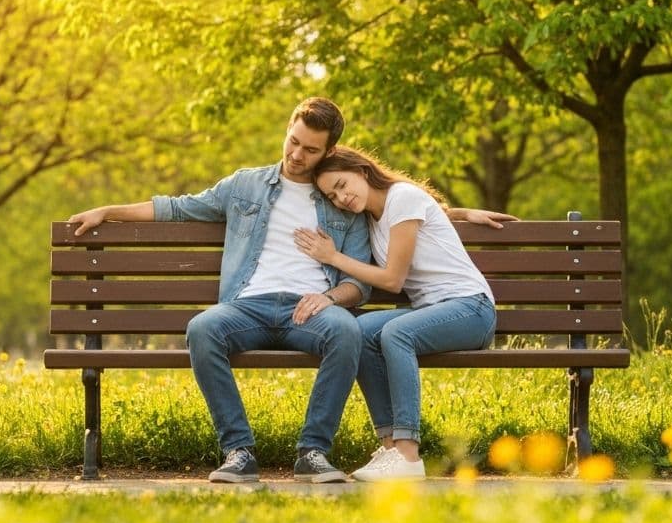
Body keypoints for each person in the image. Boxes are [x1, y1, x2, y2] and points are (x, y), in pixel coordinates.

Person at [68, 97, 370, 483]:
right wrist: (109, 211)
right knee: (203, 328)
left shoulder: (342, 201)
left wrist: (327, 299)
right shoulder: (246, 184)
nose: (297, 154)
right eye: (293, 141)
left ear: (329, 151)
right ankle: (238, 451)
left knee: (347, 330)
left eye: (311, 149)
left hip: (311, 309)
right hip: (247, 307)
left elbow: (358, 284)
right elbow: (177, 208)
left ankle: (313, 452)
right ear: (288, 130)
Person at [293, 146, 509, 481]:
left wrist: (332, 257)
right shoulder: (373, 217)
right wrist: (461, 213)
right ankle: (391, 446)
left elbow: (393, 280)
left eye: (342, 184)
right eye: (332, 195)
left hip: (471, 308)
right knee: (359, 331)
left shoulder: (402, 197)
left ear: (362, 170)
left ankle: (408, 455)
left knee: (397, 333)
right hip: (433, 311)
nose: (341, 198)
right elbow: (430, 213)